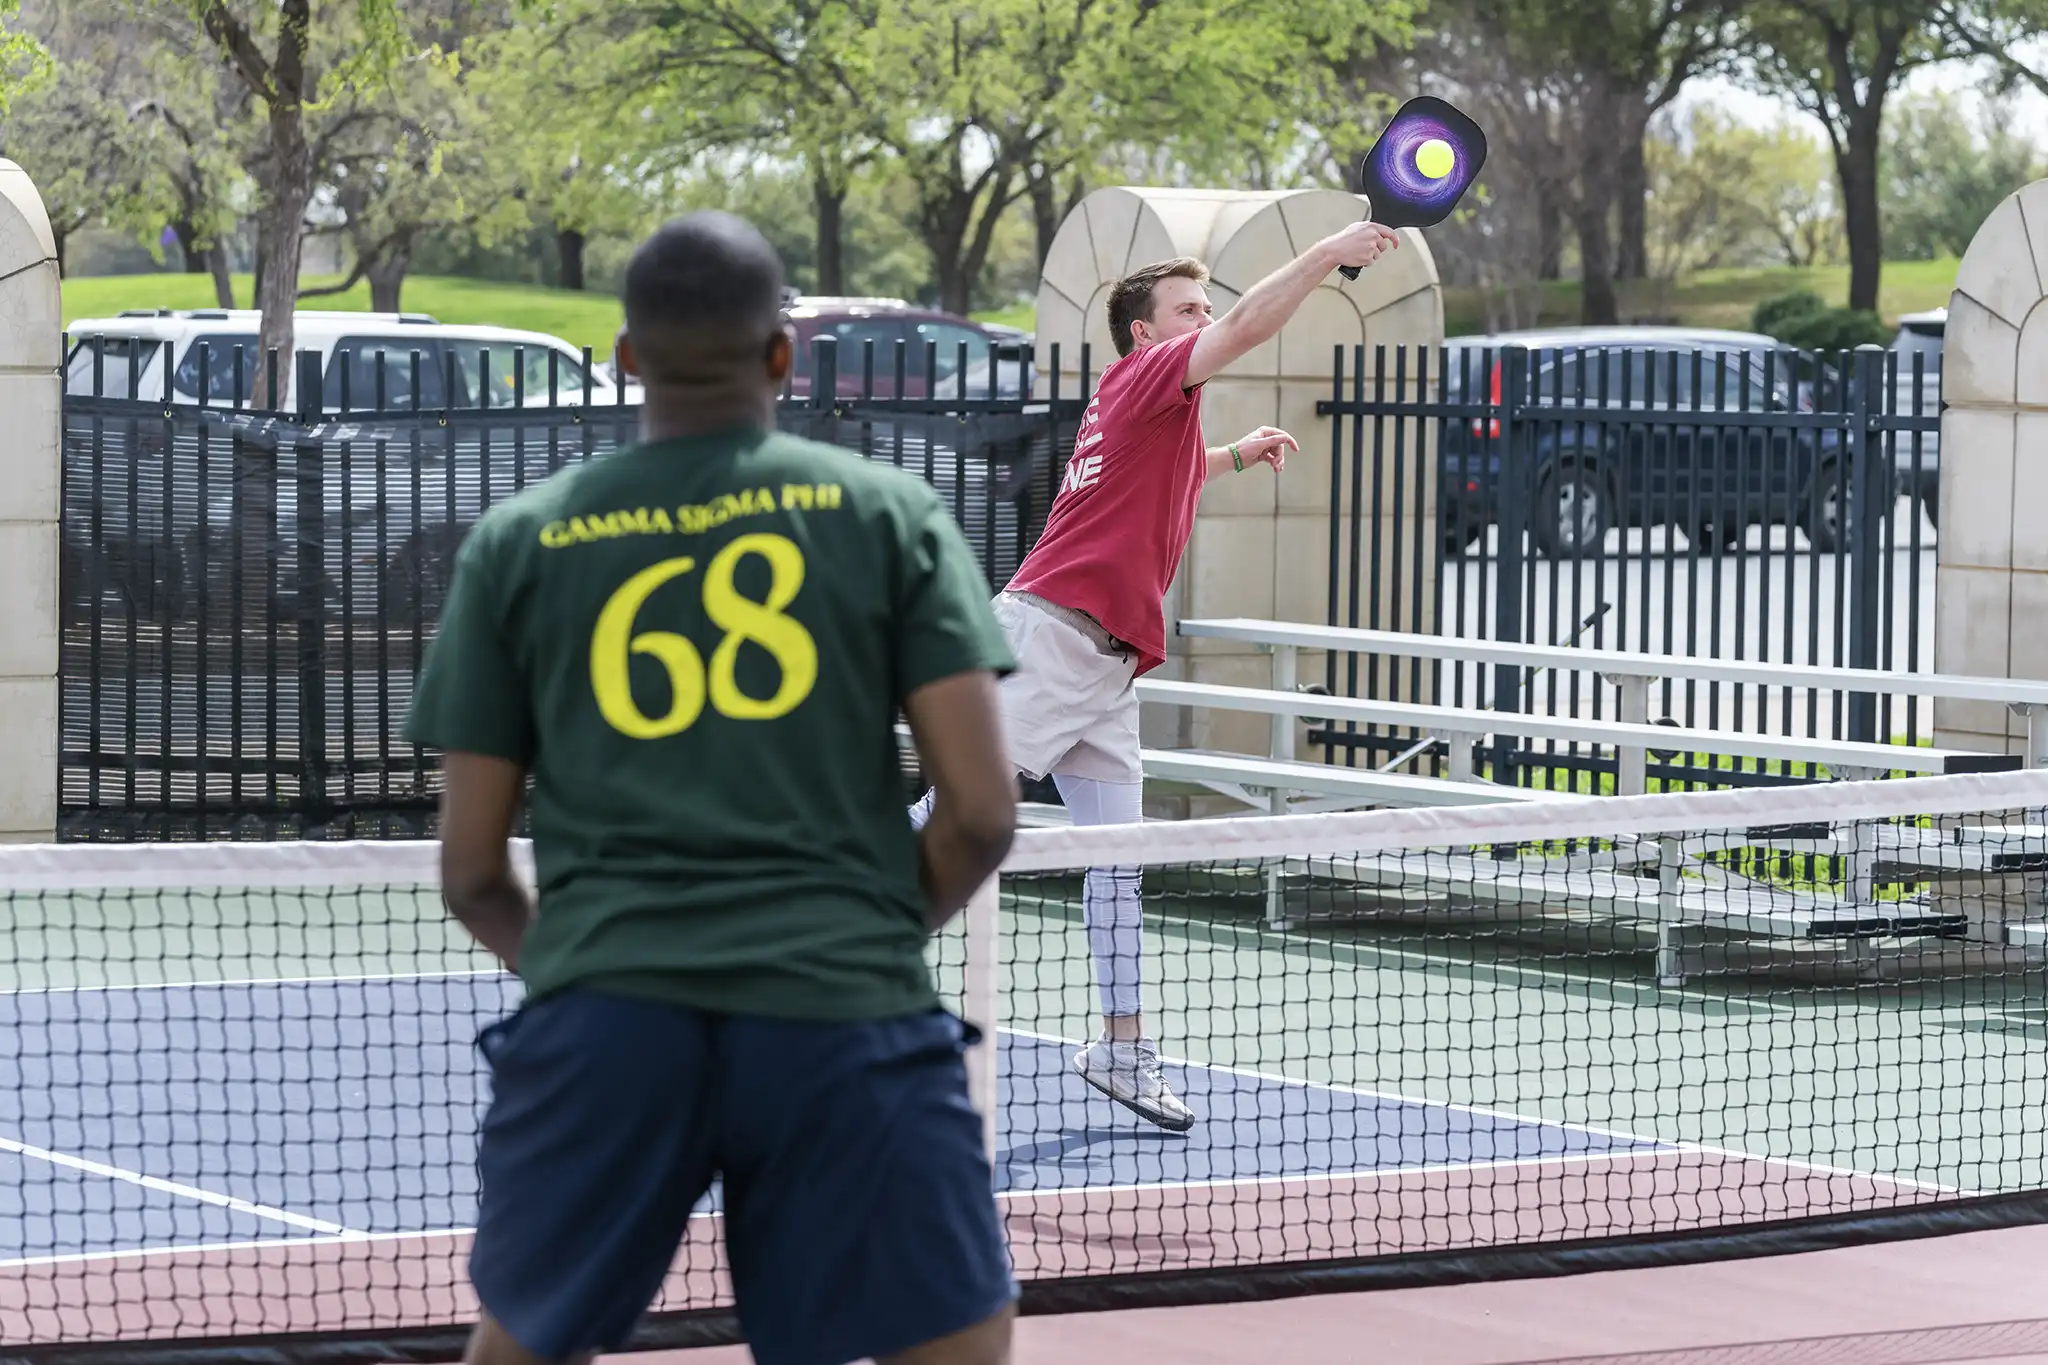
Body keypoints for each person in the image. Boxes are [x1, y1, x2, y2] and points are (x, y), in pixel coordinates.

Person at [405, 210, 1022, 1365]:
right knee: (959, 1340)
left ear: (625, 357)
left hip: (606, 1027)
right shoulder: (889, 516)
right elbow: (982, 813)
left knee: (519, 1346)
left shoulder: (519, 542)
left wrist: (596, 966)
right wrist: (867, 932)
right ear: (783, 354)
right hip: (842, 1010)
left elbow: (474, 872)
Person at [909, 220, 1403, 1133]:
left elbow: (1155, 483)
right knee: (953, 829)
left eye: (1204, 307)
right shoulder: (1148, 374)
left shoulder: (1144, 407)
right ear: (1144, 331)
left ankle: (1123, 1049)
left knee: (1117, 864)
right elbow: (1255, 321)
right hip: (1051, 640)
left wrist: (1234, 455)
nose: (1205, 318)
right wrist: (1330, 251)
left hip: (1107, 666)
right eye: (1187, 309)